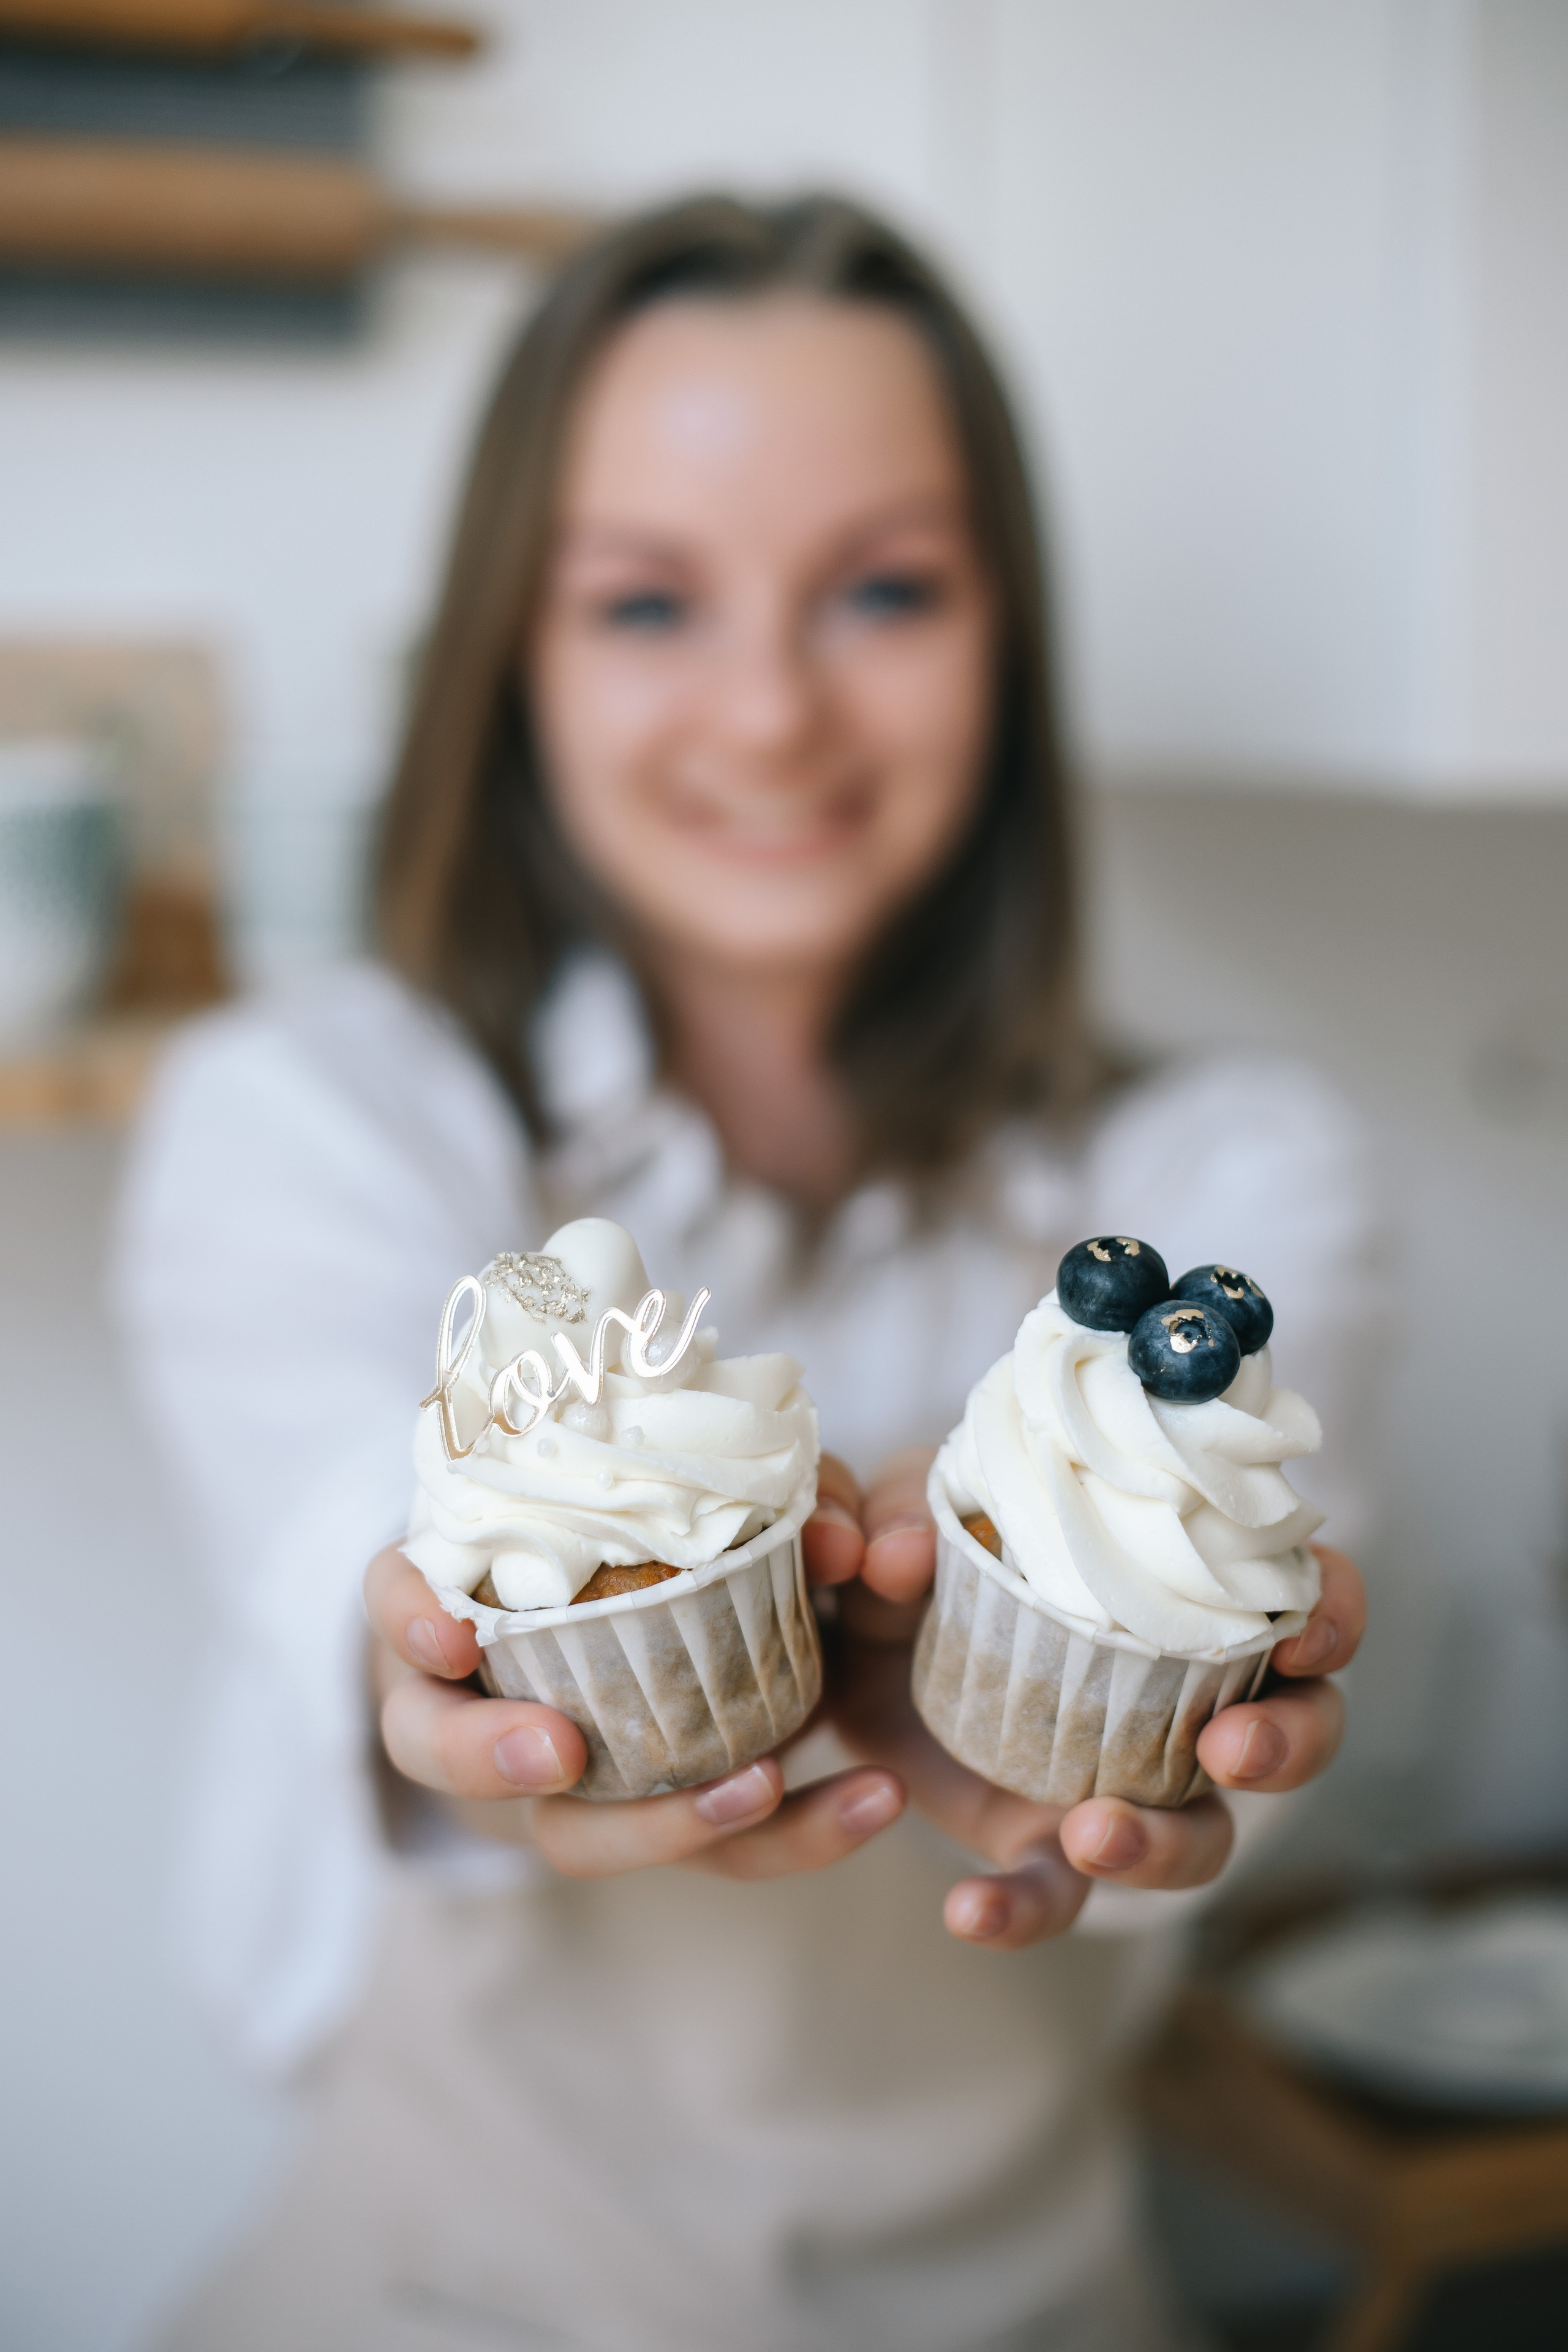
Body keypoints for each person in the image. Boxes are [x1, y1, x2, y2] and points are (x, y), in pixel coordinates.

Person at [119, 194, 1372, 2352]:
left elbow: (1225, 1581)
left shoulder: (1232, 1174)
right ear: (513, 650)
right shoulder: (309, 1115)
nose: (773, 710)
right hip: (433, 2294)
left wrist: (977, 1609)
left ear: (1011, 636)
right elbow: (368, 1558)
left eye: (883, 588)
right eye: (648, 602)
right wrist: (478, 1670)